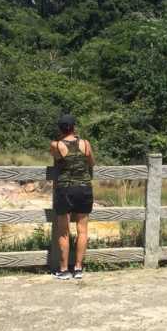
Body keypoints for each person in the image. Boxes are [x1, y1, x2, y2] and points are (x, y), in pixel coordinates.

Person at [50, 114, 96, 280]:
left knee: (63, 231)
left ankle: (63, 269)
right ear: (74, 127)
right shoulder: (85, 143)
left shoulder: (56, 145)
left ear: (60, 129)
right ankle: (78, 268)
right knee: (82, 230)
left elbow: (57, 159)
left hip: (65, 189)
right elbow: (91, 162)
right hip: (84, 188)